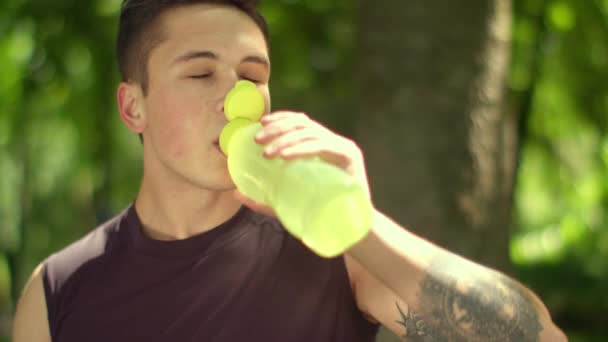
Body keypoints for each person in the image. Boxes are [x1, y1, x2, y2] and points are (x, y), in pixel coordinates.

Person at [12, 0, 567, 341]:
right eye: (201, 74)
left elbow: (533, 338)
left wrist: (362, 224)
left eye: (252, 76)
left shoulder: (335, 257)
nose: (239, 101)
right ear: (133, 106)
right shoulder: (58, 289)